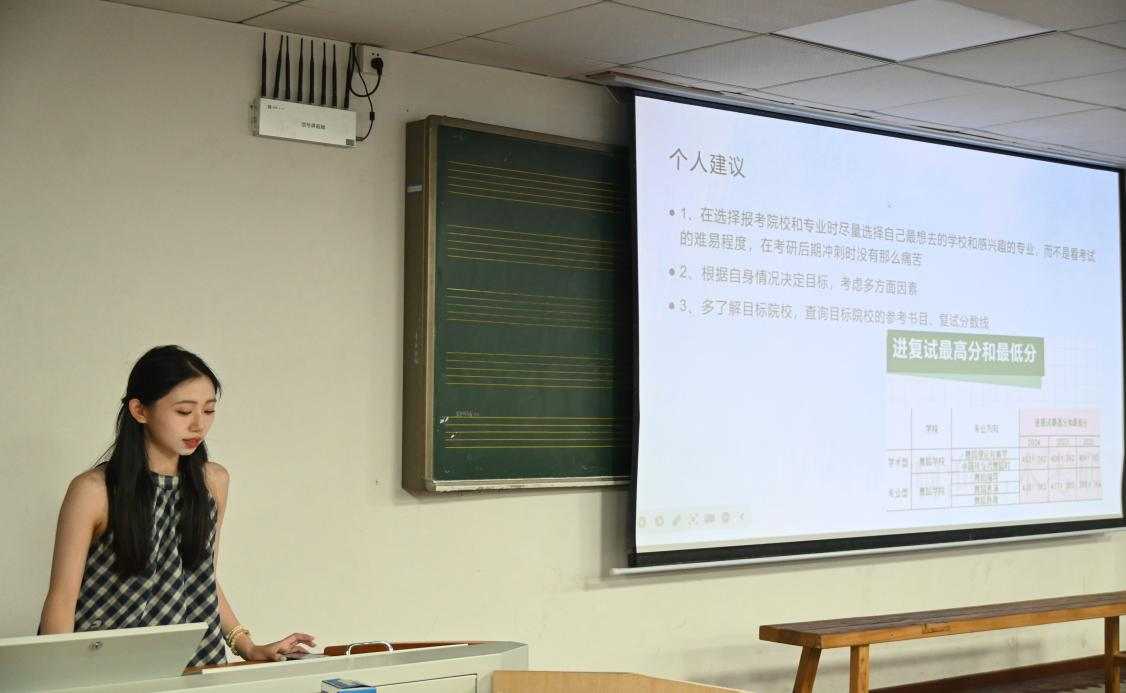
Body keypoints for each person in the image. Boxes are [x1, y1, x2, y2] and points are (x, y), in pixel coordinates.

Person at [38, 345, 314, 667]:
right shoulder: (94, 491)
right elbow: (62, 599)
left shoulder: (213, 482)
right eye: (184, 412)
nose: (199, 425)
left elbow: (201, 577)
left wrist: (247, 647)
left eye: (209, 411)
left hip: (195, 663)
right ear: (140, 410)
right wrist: (60, 674)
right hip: (105, 666)